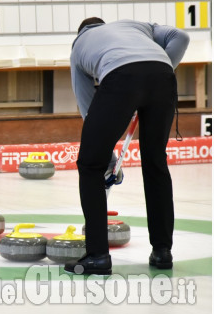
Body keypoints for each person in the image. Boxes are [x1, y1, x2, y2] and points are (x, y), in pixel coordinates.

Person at [65, 18, 189, 275]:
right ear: (104, 25)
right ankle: (162, 251)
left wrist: (107, 157)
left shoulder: (79, 46)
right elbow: (181, 37)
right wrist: (153, 79)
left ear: (82, 32)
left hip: (121, 78)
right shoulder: (136, 25)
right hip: (163, 76)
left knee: (90, 165)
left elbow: (88, 109)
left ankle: (98, 256)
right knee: (155, 163)